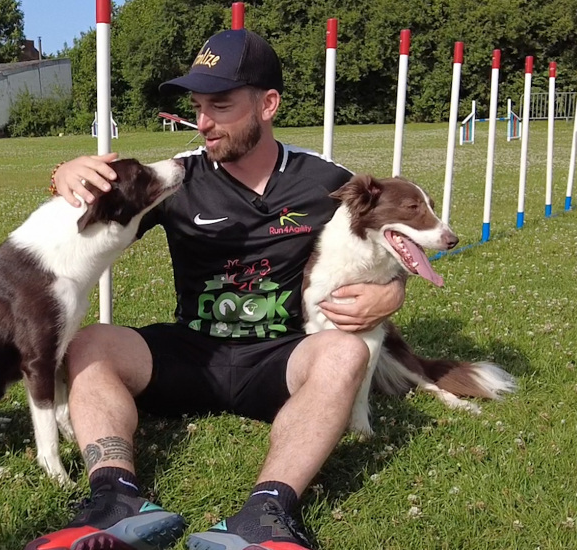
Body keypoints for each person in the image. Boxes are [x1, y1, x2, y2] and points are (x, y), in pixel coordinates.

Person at [25, 29, 405, 550]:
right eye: (197, 106)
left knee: (342, 353)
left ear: (268, 104)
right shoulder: (180, 176)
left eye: (220, 106)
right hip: (192, 352)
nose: (203, 122)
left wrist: (394, 292)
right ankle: (115, 500)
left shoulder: (324, 180)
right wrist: (63, 172)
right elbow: (88, 211)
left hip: (280, 357)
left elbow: (390, 235)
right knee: (93, 343)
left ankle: (268, 516)